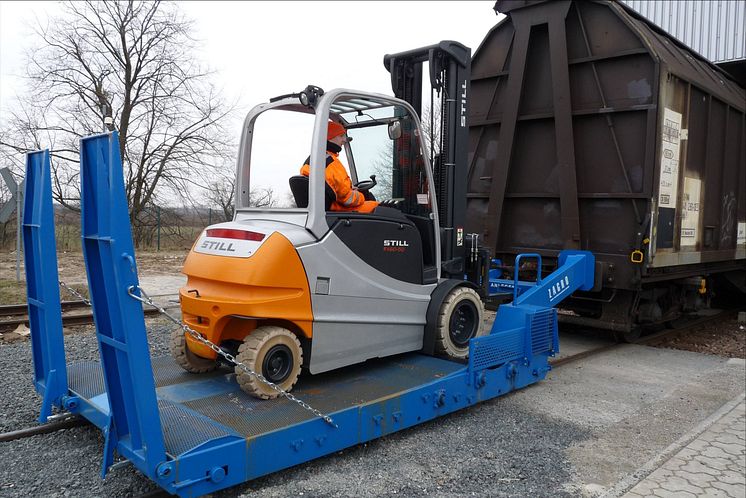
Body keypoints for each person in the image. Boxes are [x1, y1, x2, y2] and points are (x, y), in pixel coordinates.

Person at [300, 121, 378, 213]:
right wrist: (361, 195)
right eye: (341, 136)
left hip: (326, 210)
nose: (344, 140)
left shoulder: (312, 161)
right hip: (338, 211)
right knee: (379, 207)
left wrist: (350, 189)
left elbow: (334, 189)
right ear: (330, 137)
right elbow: (348, 199)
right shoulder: (331, 163)